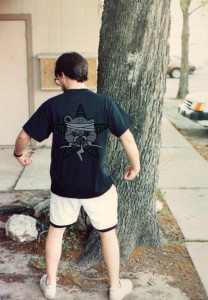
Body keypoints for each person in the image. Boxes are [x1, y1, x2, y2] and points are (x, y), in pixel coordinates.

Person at [14, 52, 141, 300]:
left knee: (56, 231)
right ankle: (115, 287)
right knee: (108, 234)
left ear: (62, 74)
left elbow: (22, 137)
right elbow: (127, 137)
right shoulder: (105, 103)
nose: (57, 82)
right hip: (98, 186)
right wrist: (135, 166)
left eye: (56, 77)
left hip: (63, 187)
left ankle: (50, 285)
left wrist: (19, 155)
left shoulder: (53, 105)